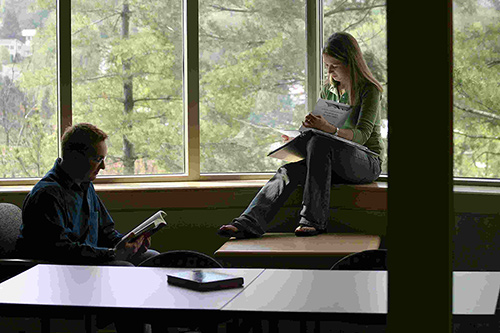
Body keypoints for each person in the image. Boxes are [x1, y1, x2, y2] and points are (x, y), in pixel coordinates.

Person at [218, 32, 384, 238]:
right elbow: (322, 133)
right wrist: (300, 138)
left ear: (351, 62)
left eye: (335, 65)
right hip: (330, 158)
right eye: (326, 66)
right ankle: (248, 222)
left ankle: (313, 221)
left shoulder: (370, 90)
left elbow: (362, 136)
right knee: (289, 170)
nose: (330, 72)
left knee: (320, 143)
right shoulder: (330, 89)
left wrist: (329, 130)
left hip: (366, 162)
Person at [17, 123, 159, 266]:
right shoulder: (46, 196)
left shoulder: (85, 185)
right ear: (75, 157)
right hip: (62, 269)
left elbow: (106, 233)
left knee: (153, 258)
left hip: (89, 259)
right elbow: (61, 251)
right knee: (124, 267)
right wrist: (113, 254)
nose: (103, 167)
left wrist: (129, 243)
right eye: (98, 159)